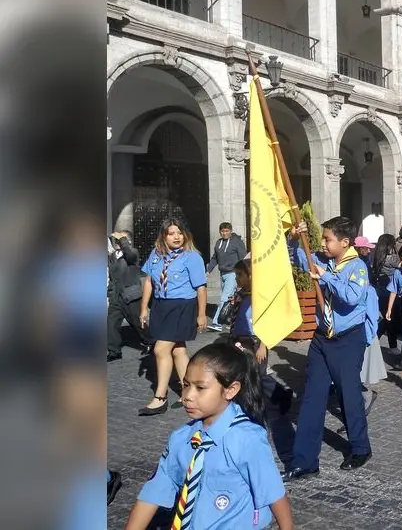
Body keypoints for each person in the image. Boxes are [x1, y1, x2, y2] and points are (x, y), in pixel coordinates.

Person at [125, 343, 292, 529]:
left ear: (230, 390)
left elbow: (272, 491)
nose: (188, 395)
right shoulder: (181, 439)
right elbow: (154, 492)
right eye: (186, 385)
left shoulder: (246, 438)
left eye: (200, 388)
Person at [283, 216, 374, 477]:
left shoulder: (357, 267)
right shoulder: (321, 260)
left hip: (347, 340)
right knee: (312, 397)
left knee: (348, 395)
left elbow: (352, 298)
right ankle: (305, 460)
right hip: (322, 337)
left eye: (327, 239)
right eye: (322, 238)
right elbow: (297, 258)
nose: (322, 243)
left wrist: (327, 278)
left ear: (345, 242)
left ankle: (360, 447)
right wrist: (293, 239)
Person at [138, 217, 208, 416]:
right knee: (177, 350)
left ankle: (160, 398)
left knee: (161, 349)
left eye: (179, 233)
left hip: (182, 307)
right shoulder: (156, 254)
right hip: (161, 306)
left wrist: (202, 314)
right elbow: (149, 282)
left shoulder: (192, 256)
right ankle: (189, 390)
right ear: (164, 236)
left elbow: (201, 288)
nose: (177, 237)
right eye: (171, 233)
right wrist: (144, 309)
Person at [223, 260, 294, 415]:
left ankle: (281, 395)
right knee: (242, 373)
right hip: (239, 339)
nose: (237, 278)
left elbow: (268, 322)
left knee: (258, 375)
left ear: (251, 276)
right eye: (236, 274)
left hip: (256, 341)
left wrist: (263, 345)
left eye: (240, 275)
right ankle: (245, 403)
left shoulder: (259, 297)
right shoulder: (241, 293)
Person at [107, 229, 146, 361]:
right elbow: (113, 276)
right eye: (115, 241)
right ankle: (114, 351)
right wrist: (110, 291)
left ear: (127, 241)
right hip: (116, 297)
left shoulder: (132, 253)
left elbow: (129, 255)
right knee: (111, 323)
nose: (116, 242)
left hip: (131, 295)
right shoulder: (112, 256)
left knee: (137, 322)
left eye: (119, 240)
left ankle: (150, 341)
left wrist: (123, 240)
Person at [206, 222, 247, 332]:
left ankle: (217, 322)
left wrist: (242, 274)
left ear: (231, 231)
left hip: (233, 274)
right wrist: (209, 270)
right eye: (222, 231)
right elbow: (215, 258)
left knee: (224, 298)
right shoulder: (218, 243)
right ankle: (236, 321)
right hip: (223, 273)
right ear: (220, 232)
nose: (224, 233)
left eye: (227, 231)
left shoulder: (237, 242)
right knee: (230, 299)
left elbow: (243, 257)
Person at [371, 234, 400, 349]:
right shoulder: (391, 257)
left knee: (387, 318)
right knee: (390, 319)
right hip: (390, 291)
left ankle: (379, 340)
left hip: (380, 289)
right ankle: (387, 344)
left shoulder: (378, 255)